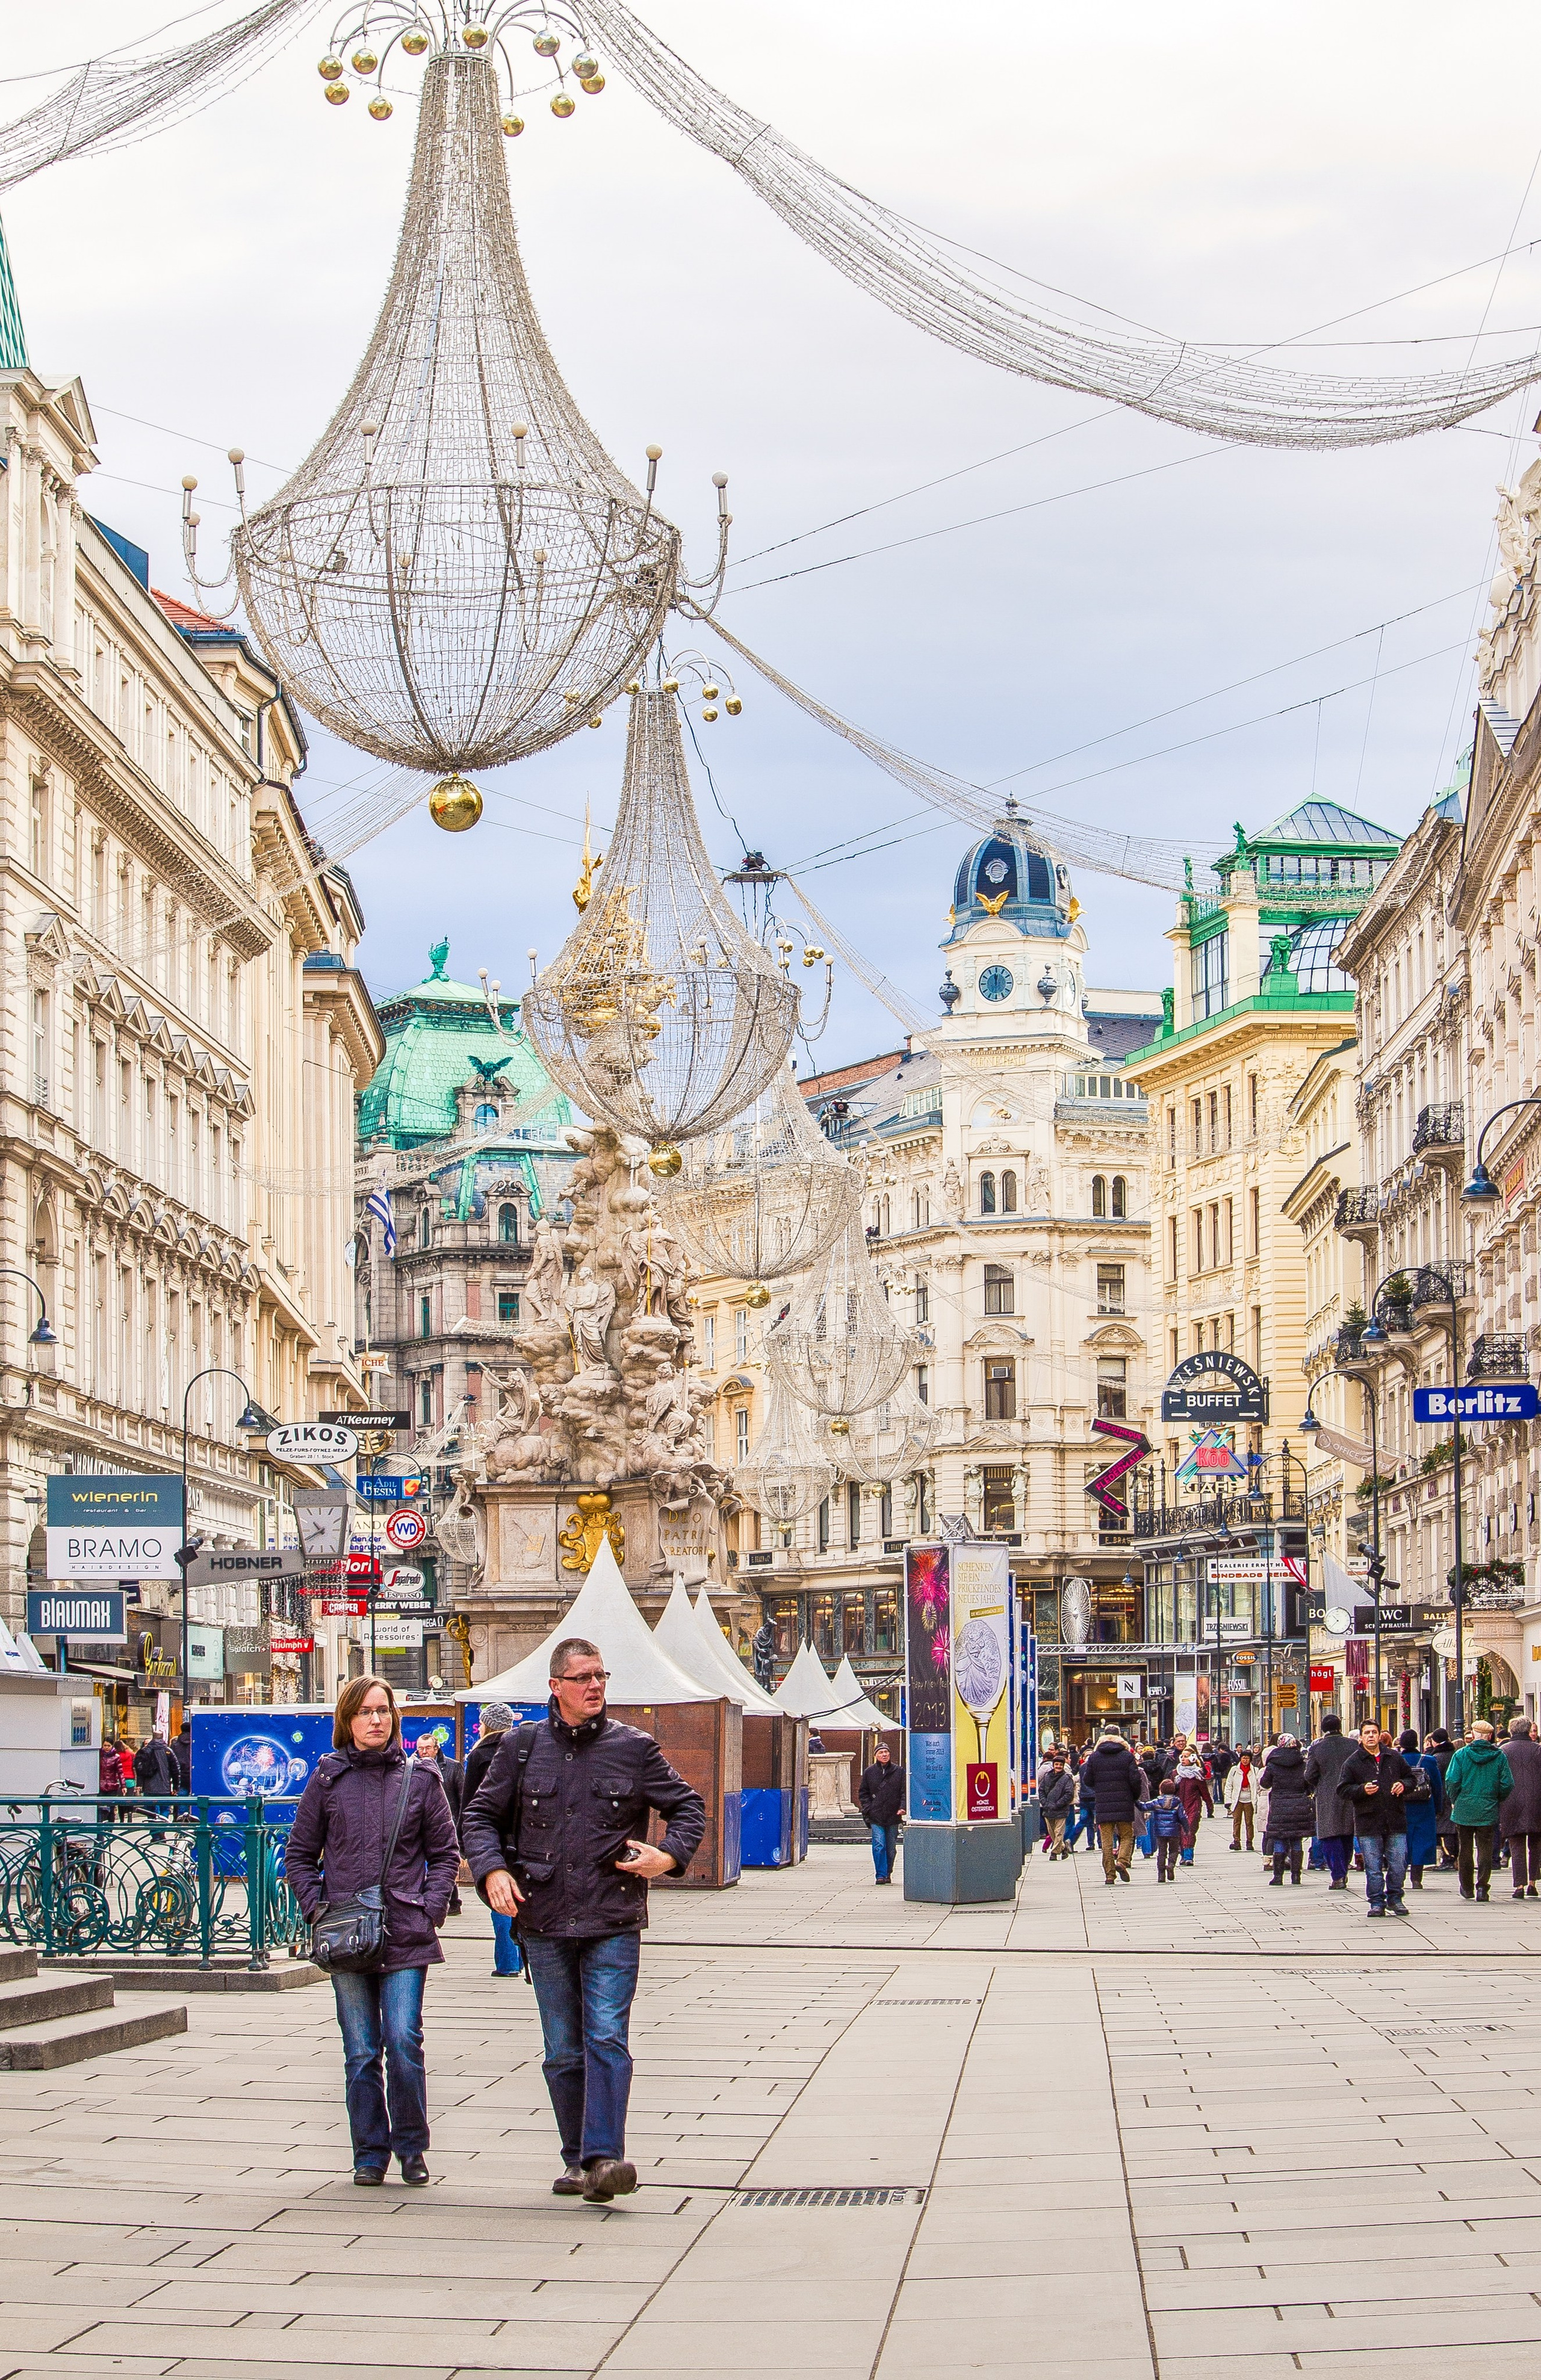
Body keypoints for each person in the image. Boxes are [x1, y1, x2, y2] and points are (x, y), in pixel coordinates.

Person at [462, 1635, 705, 2204]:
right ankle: (577, 2158)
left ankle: (604, 2158)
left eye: (601, 1675)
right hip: (544, 1919)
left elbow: (687, 1805)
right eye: (583, 1677)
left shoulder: (634, 1748)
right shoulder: (520, 1748)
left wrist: (669, 1855)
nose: (595, 1685)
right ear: (555, 1687)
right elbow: (479, 1816)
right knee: (564, 2048)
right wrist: (492, 1871)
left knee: (606, 2036)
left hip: (613, 1916)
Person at [284, 1674, 460, 2187]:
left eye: (383, 1710)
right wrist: (317, 1908)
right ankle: (369, 2152)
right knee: (361, 2049)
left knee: (404, 2040)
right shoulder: (327, 1778)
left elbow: (446, 1853)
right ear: (348, 1719)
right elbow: (299, 1853)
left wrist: (430, 1907)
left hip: (406, 1931)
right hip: (345, 1935)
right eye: (365, 1712)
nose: (376, 1720)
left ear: (394, 1719)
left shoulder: (420, 1779)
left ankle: (411, 2147)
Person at [1339, 1721, 1421, 1917]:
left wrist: (1403, 1785)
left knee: (1399, 1863)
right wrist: (1361, 1790)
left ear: (1380, 1735)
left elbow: (1412, 1778)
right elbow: (1342, 1789)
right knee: (1373, 1867)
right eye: (1367, 1733)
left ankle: (1395, 1898)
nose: (1371, 1736)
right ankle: (1376, 1902)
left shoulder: (1393, 1757)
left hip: (1395, 1820)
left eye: (1374, 1732)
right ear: (1361, 1737)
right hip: (1368, 1822)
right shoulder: (1353, 1762)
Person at [462, 1705, 521, 1976]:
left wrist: (467, 1844)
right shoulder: (524, 1750)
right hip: (523, 1836)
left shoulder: (480, 1755)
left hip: (492, 1837)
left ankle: (508, 1963)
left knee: (499, 1895)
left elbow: (471, 1804)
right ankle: (521, 1959)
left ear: (486, 1725)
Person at [1442, 1719, 1514, 1902]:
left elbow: (1451, 1780)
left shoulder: (1461, 1755)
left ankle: (1467, 1888)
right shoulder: (1499, 1756)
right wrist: (1497, 1798)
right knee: (1486, 1849)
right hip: (1488, 1808)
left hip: (1464, 1808)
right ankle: (1482, 1887)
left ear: (1473, 1735)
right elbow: (1507, 1783)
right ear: (1490, 1736)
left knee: (1465, 1848)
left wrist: (1455, 1799)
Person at [1079, 1723, 1148, 1884]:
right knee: (1127, 1835)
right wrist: (1134, 1797)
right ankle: (1122, 1862)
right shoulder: (1127, 1755)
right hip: (1124, 1802)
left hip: (1103, 1804)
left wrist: (1100, 1788)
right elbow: (1135, 1780)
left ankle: (1110, 1875)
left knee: (1107, 1842)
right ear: (1120, 1736)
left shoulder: (1095, 1757)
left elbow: (1087, 1780)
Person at [413, 1728, 465, 1915]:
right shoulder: (411, 1767)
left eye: (428, 1748)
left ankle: (453, 1902)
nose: (424, 1752)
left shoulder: (452, 1767)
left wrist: (461, 1825)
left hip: (447, 1822)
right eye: (420, 1748)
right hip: (419, 1824)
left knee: (444, 1861)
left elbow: (463, 1797)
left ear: (436, 1749)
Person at [1303, 1714, 1357, 1890]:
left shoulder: (1317, 1748)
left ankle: (1338, 1874)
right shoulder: (1353, 1745)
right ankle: (1344, 1867)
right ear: (1340, 1726)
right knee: (1347, 1833)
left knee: (1329, 1835)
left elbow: (1309, 1775)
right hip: (1350, 1794)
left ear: (1323, 1729)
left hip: (1327, 1797)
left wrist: (1320, 1783)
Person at [1259, 1736, 1312, 1884]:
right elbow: (1309, 1783)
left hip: (1279, 1806)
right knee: (1297, 1840)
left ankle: (1278, 1877)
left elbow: (1265, 1784)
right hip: (1299, 1806)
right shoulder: (1302, 1763)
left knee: (1279, 1840)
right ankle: (1296, 1876)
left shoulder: (1273, 1763)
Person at [1499, 1716, 1541, 1899]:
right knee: (1536, 1844)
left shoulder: (1503, 1751)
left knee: (1516, 1845)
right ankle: (1533, 1882)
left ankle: (1519, 1885)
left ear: (1512, 1731)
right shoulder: (1538, 1750)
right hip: (1536, 1802)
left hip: (1511, 1803)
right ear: (1527, 1730)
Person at [1398, 1729, 1443, 1887]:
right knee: (1421, 1840)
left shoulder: (1396, 1760)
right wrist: (1438, 1808)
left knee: (1402, 1839)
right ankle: (1417, 1878)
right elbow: (1437, 1786)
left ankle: (1400, 1876)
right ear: (1417, 1743)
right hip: (1425, 1806)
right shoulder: (1429, 1761)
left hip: (1401, 1806)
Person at [857, 1740, 904, 1884]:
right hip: (876, 1815)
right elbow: (863, 1792)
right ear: (876, 1756)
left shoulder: (899, 1771)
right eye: (881, 1753)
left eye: (886, 1752)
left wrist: (902, 1807)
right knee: (879, 1845)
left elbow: (904, 1791)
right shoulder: (870, 1772)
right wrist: (868, 1808)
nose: (884, 1755)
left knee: (891, 1848)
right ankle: (881, 1875)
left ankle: (888, 1871)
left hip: (893, 1815)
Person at [1171, 1746, 1212, 1865]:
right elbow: (1170, 1790)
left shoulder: (1197, 1775)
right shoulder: (1175, 1774)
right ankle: (1183, 1855)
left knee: (1188, 1830)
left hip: (1193, 1807)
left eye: (1186, 1756)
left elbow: (1205, 1793)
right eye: (1182, 1756)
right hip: (1179, 1808)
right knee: (1180, 1832)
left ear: (1193, 1758)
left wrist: (1210, 1807)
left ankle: (1189, 1856)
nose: (1183, 1759)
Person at [1149, 1775, 1191, 1881]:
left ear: (1161, 1791)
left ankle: (1161, 1875)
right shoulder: (1177, 1802)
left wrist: (1135, 1802)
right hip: (1174, 1832)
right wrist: (1187, 1829)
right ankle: (1171, 1865)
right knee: (1174, 1850)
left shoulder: (1156, 1802)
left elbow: (1144, 1806)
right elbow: (1182, 1817)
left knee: (1162, 1852)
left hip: (1160, 1832)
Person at [1428, 1726, 1459, 1868]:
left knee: (1444, 1829)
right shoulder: (1455, 1754)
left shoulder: (1437, 1758)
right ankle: (1453, 1857)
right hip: (1454, 1796)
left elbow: (1434, 1778)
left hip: (1443, 1797)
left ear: (1435, 1742)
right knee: (1453, 1829)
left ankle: (1448, 1858)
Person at [1037, 1751, 1075, 1858]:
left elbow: (1069, 1794)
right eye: (1056, 1764)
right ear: (1053, 1765)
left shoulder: (1067, 1778)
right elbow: (1041, 1791)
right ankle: (1063, 1848)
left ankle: (1054, 1853)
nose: (1058, 1767)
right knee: (1052, 1833)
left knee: (1059, 1832)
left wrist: (1058, 1804)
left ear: (1063, 1766)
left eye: (1060, 1765)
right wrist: (1045, 1803)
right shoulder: (1047, 1777)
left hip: (1061, 1810)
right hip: (1048, 1809)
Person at [1224, 1747, 1256, 1851]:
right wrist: (1228, 1801)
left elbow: (1258, 1787)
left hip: (1249, 1800)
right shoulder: (1234, 1770)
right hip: (1237, 1800)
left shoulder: (1255, 1771)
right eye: (1243, 1758)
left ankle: (1249, 1842)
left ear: (1250, 1759)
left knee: (1249, 1822)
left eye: (1247, 1758)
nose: (1245, 1760)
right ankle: (1237, 1841)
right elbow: (1229, 1786)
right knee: (1237, 1821)